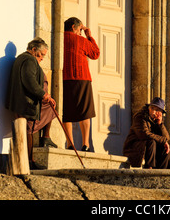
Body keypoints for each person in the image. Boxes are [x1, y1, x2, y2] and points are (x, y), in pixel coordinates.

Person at [6, 37, 56, 170]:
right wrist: (44, 94)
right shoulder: (29, 60)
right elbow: (29, 80)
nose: (42, 58)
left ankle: (31, 158)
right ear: (34, 50)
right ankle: (29, 162)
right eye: (42, 55)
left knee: (29, 128)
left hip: (22, 101)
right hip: (26, 102)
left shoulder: (22, 58)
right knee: (28, 129)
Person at [62, 17, 100, 152]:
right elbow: (95, 54)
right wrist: (89, 36)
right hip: (82, 78)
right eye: (80, 29)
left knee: (66, 111)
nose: (80, 32)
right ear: (73, 27)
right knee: (85, 112)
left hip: (65, 78)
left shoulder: (60, 39)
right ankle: (85, 144)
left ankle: (70, 143)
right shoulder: (81, 40)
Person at [123, 97, 170, 169]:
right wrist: (163, 140)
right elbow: (144, 134)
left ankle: (163, 172)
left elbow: (167, 138)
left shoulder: (157, 120)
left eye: (157, 110)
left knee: (165, 147)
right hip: (135, 147)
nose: (154, 112)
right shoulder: (140, 117)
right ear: (149, 108)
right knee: (151, 141)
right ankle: (149, 168)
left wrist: (160, 124)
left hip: (151, 150)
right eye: (153, 108)